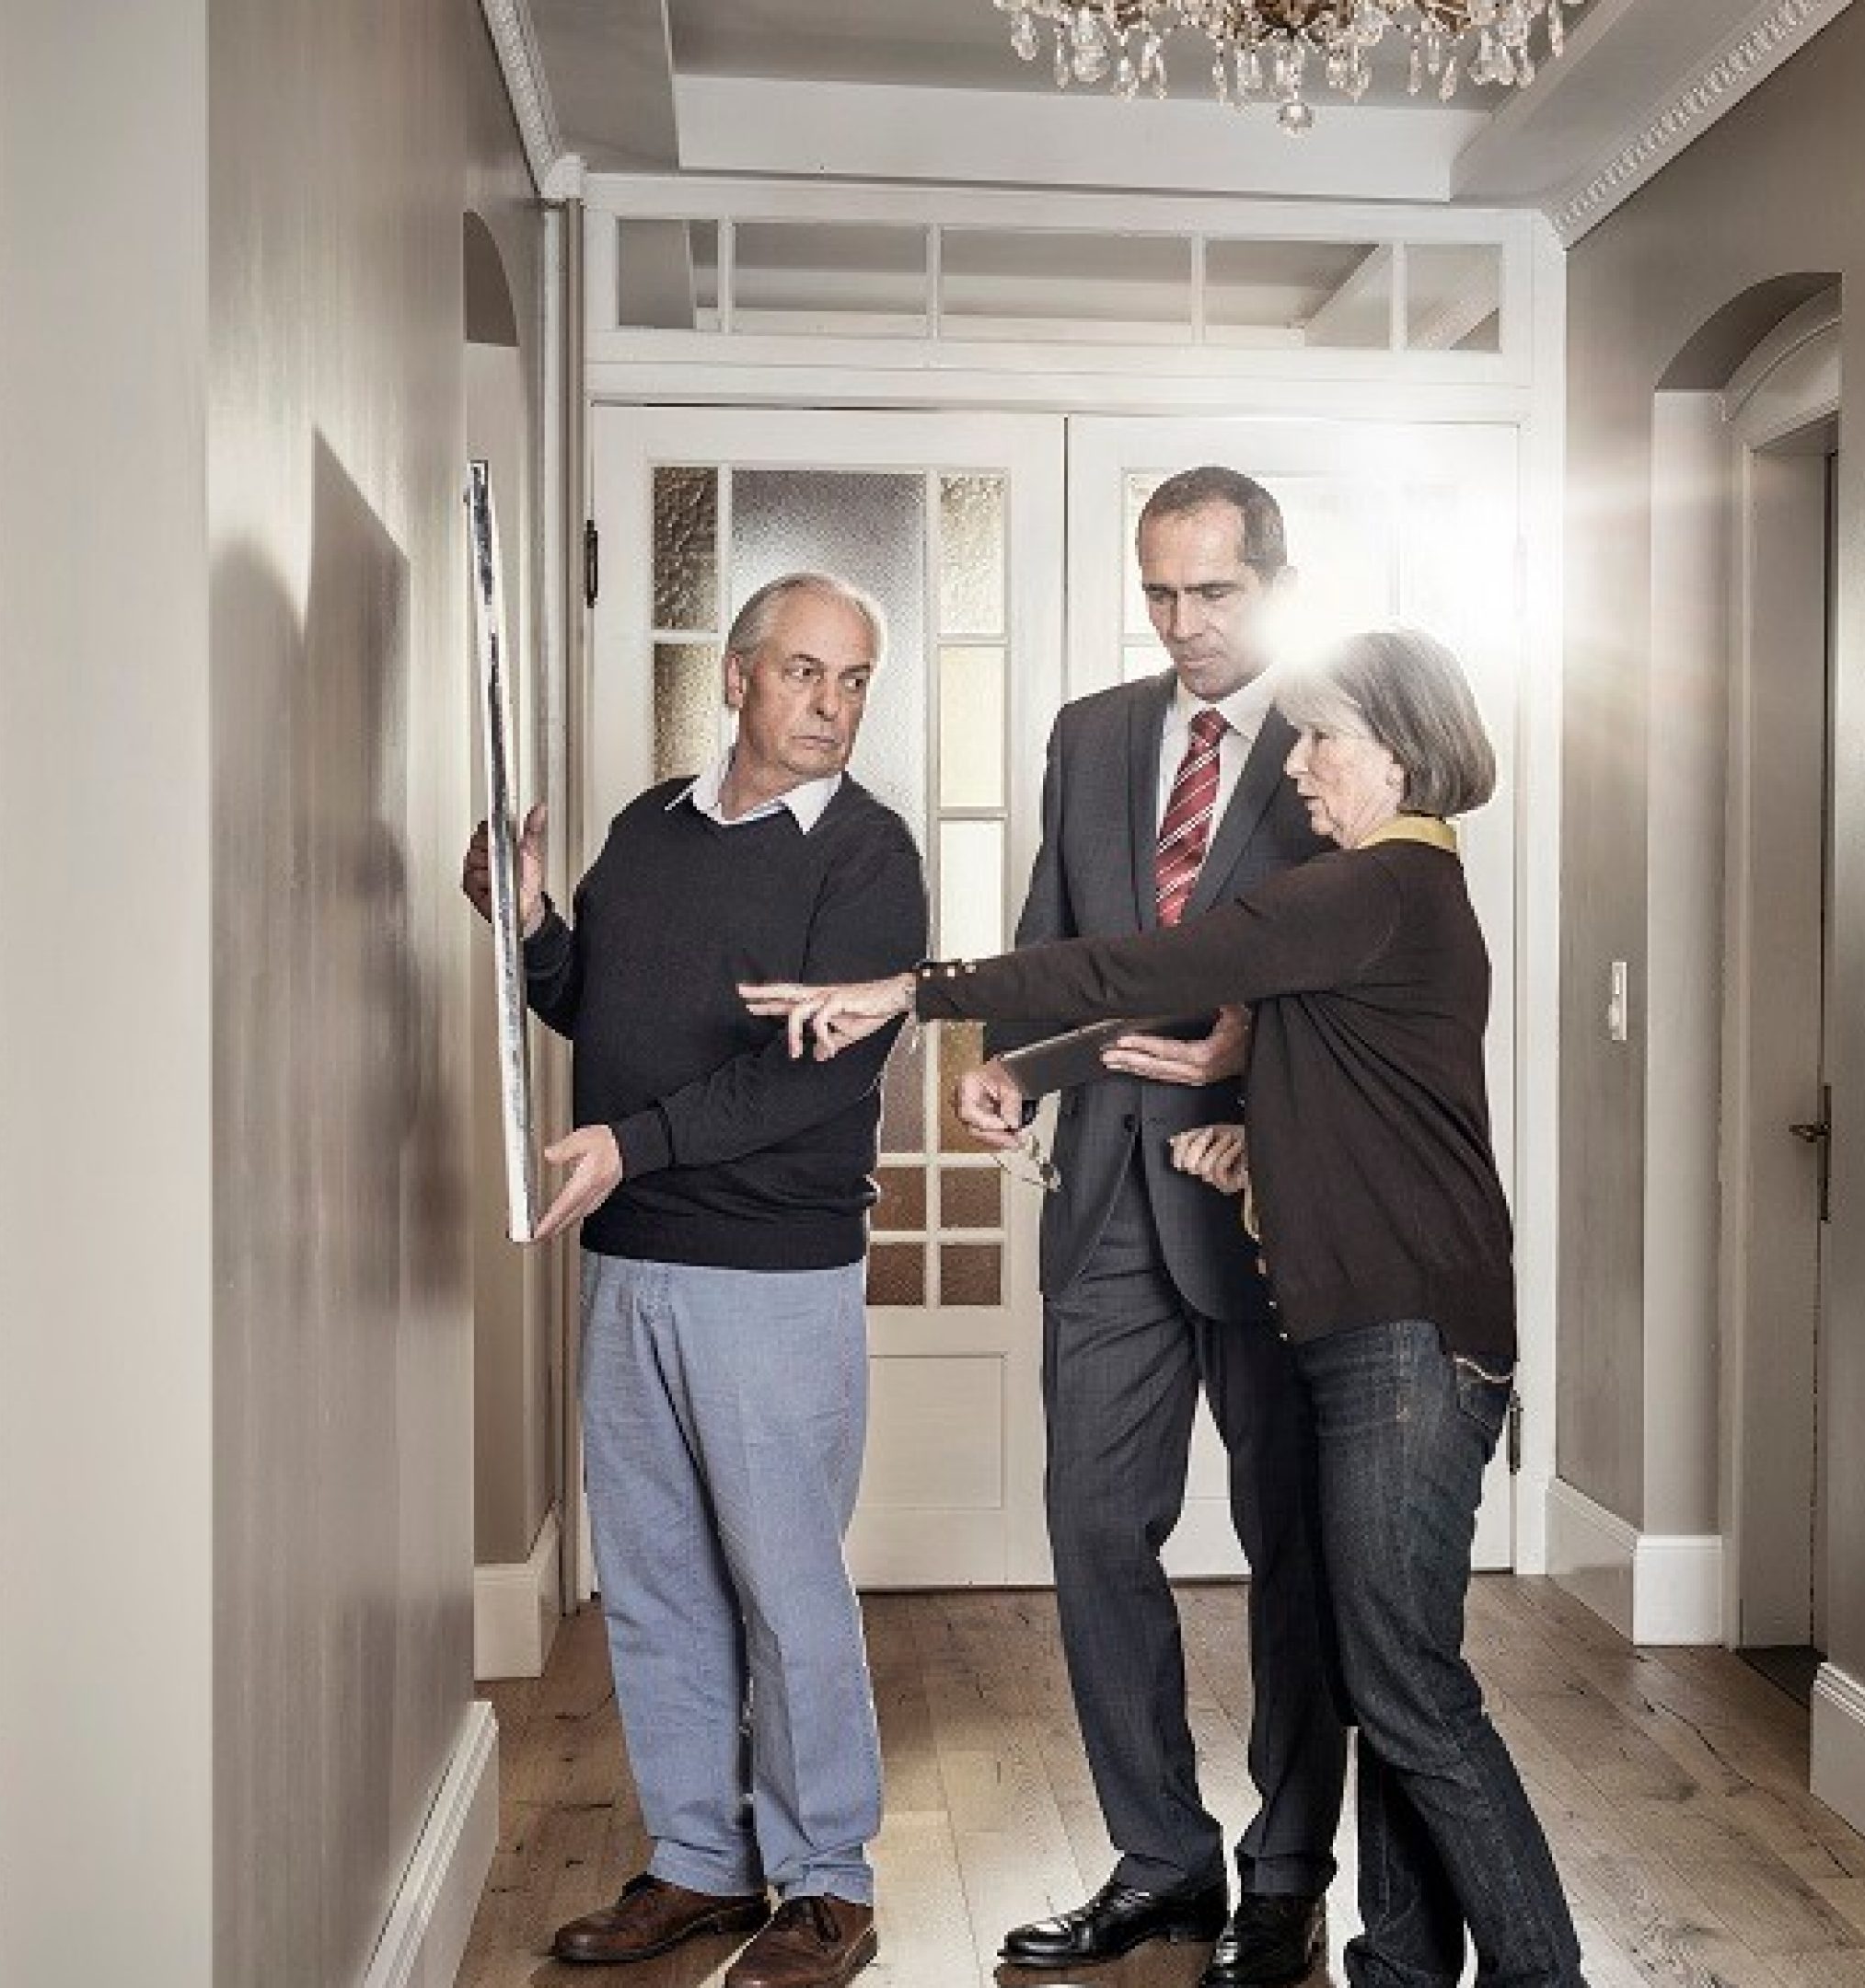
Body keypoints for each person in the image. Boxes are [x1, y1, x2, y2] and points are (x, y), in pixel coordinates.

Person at [747, 630, 1586, 1988]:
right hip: (1384, 1331)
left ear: (1405, 749)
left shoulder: (1375, 885)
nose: (1300, 765)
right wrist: (1257, 1142)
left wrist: (914, 992)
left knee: (1413, 1694)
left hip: (1407, 1347)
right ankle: (1406, 1970)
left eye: (1326, 741)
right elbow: (1380, 1099)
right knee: (1395, 1679)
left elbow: (1132, 964)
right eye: (1299, 735)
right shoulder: (1391, 901)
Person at [459, 572, 922, 1988]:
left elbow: (814, 1071)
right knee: (657, 1579)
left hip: (769, 1272)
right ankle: (702, 1864)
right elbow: (594, 1001)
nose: (831, 706)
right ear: (736, 679)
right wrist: (526, 925)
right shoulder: (649, 831)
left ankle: (827, 1881)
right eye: (803, 674)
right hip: (630, 1251)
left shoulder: (867, 856)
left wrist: (632, 1142)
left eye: (852, 681)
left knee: (786, 1586)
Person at [946, 467, 1346, 1986]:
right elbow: (1068, 956)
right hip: (1110, 1197)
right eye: (1160, 594)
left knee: (1287, 1543)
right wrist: (1010, 1069)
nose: (1184, 626)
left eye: (1216, 593)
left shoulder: (1343, 737)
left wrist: (1258, 1054)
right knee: (1096, 1528)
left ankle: (1289, 1877)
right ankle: (1163, 1863)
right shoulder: (1093, 735)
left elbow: (1374, 979)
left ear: (1278, 577)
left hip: (1266, 1203)